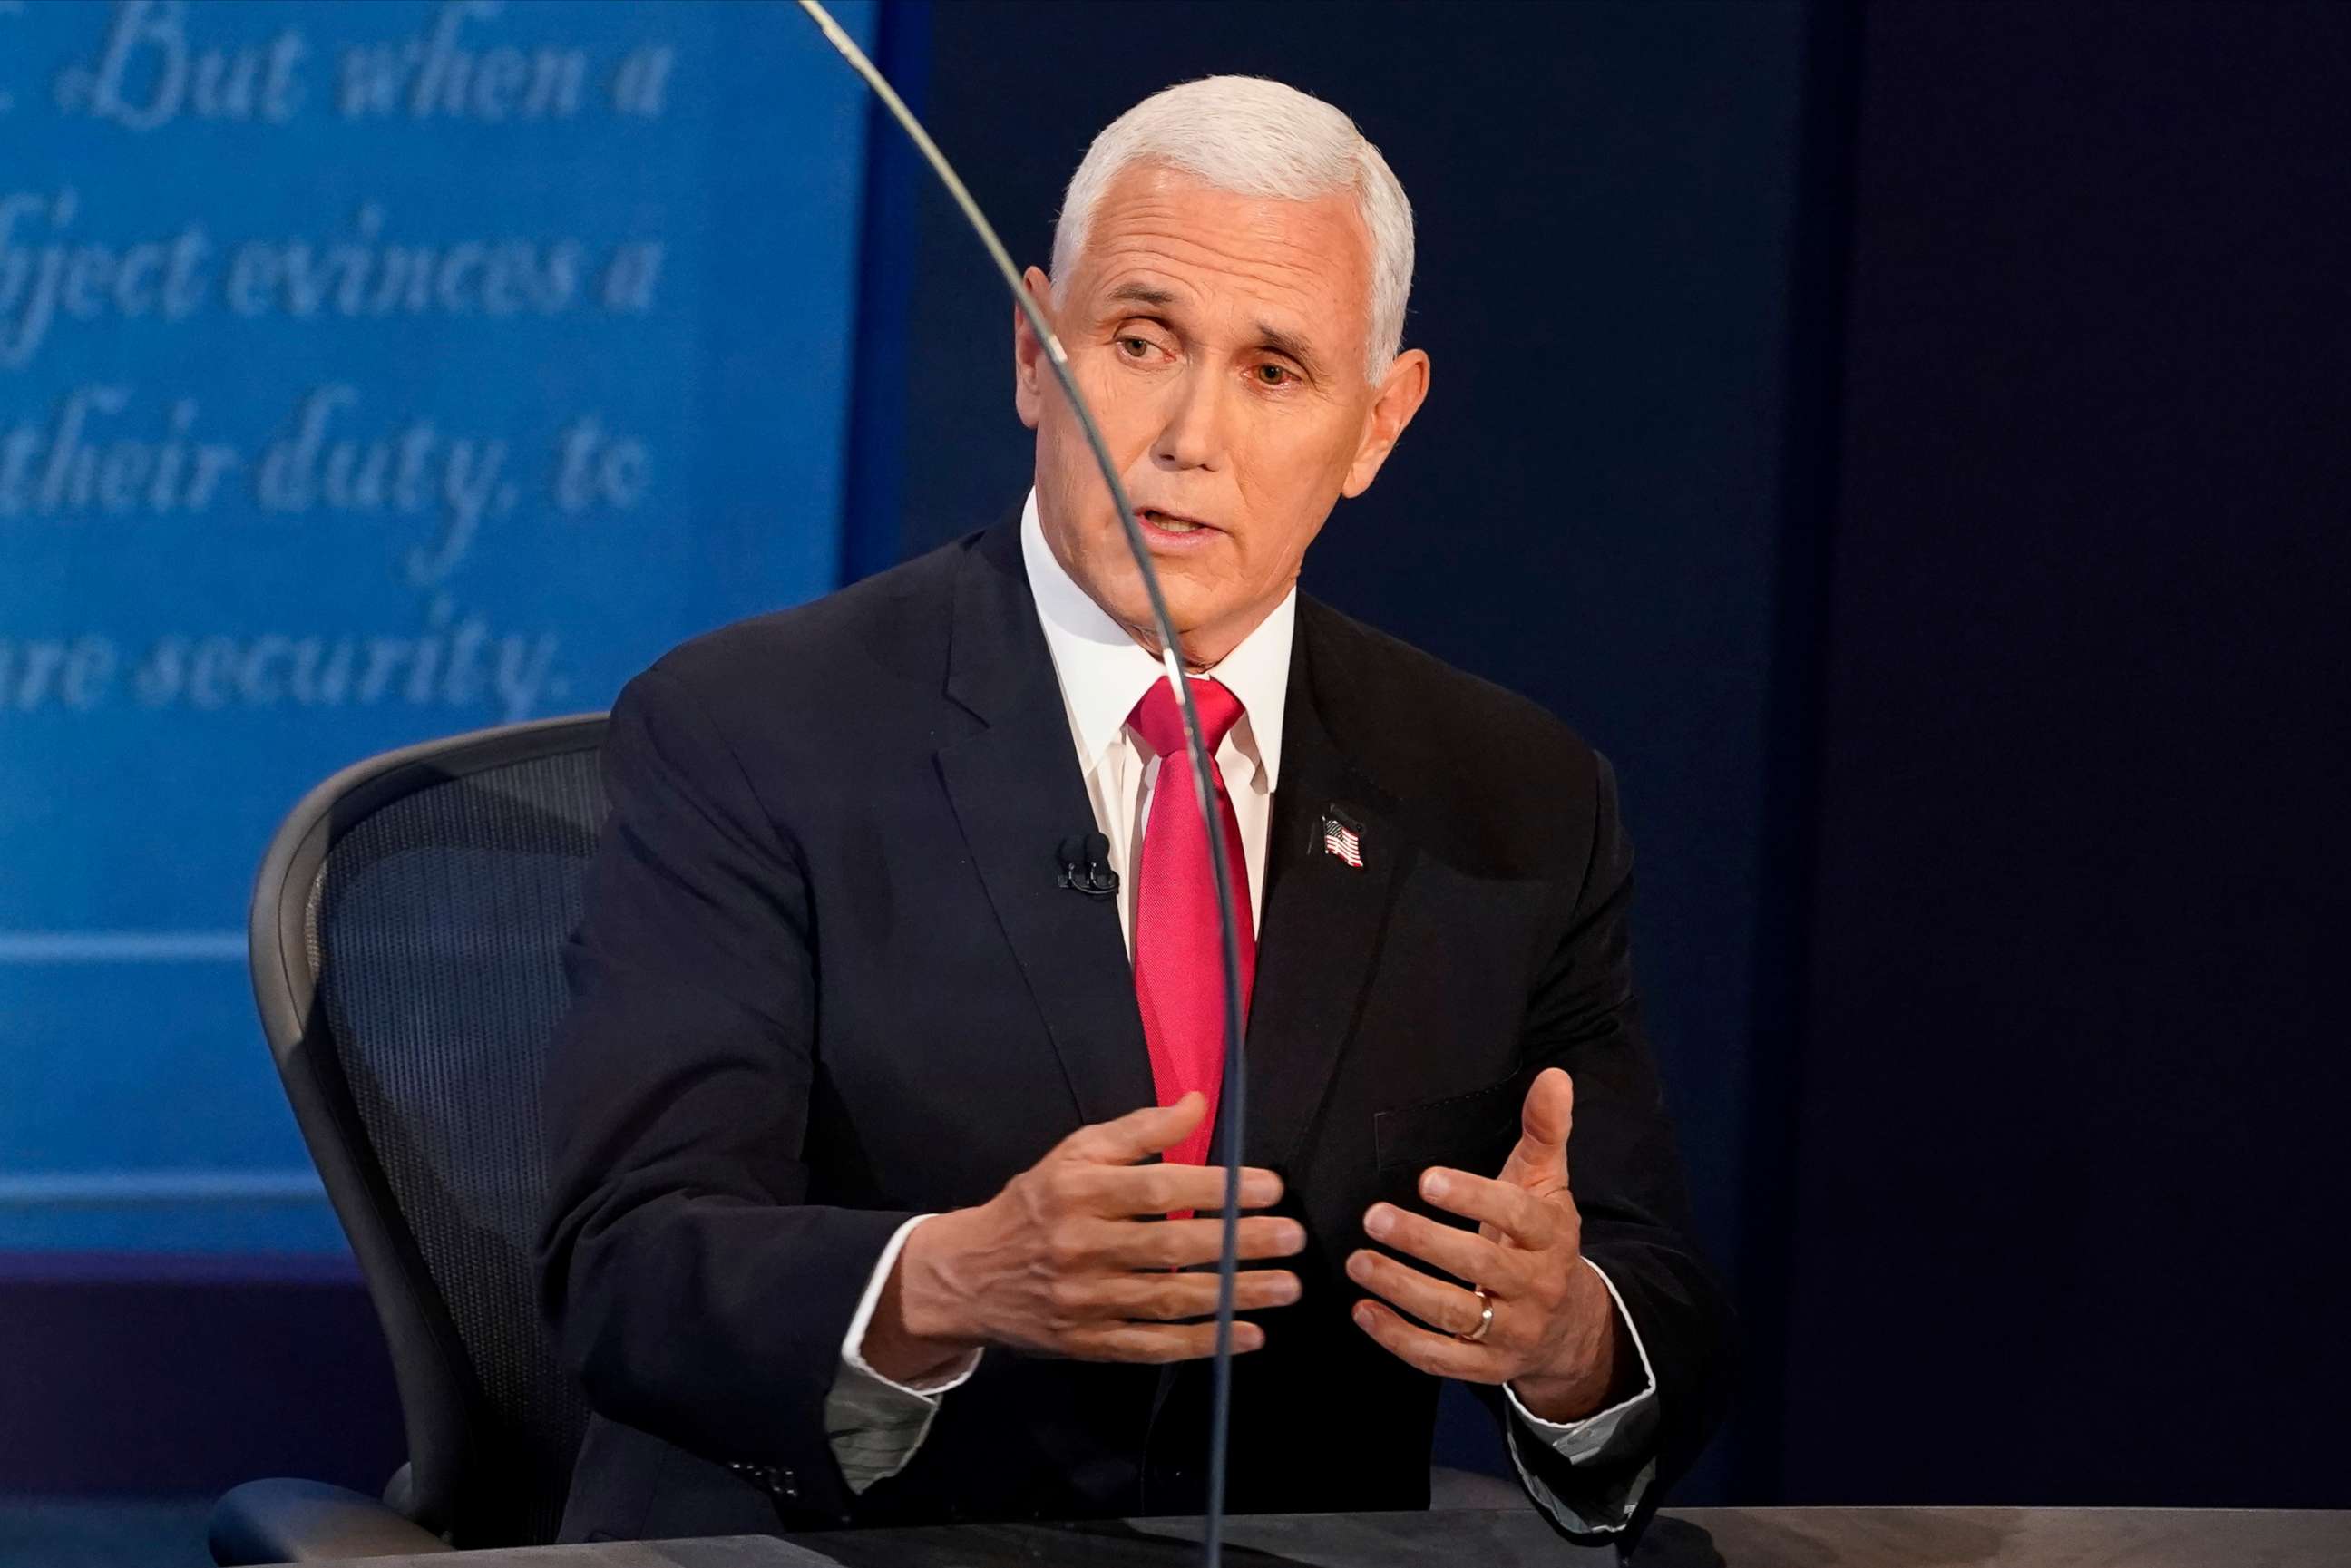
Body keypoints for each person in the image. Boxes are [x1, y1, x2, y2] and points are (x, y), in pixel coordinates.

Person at [538, 74, 1732, 1548]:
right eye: (1140, 340)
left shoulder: (1513, 800)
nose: (1186, 435)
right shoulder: (753, 732)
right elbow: (626, 1268)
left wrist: (1567, 1340)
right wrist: (947, 1278)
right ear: (1036, 352)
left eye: (1275, 371)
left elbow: (1652, 1298)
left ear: (1379, 423)